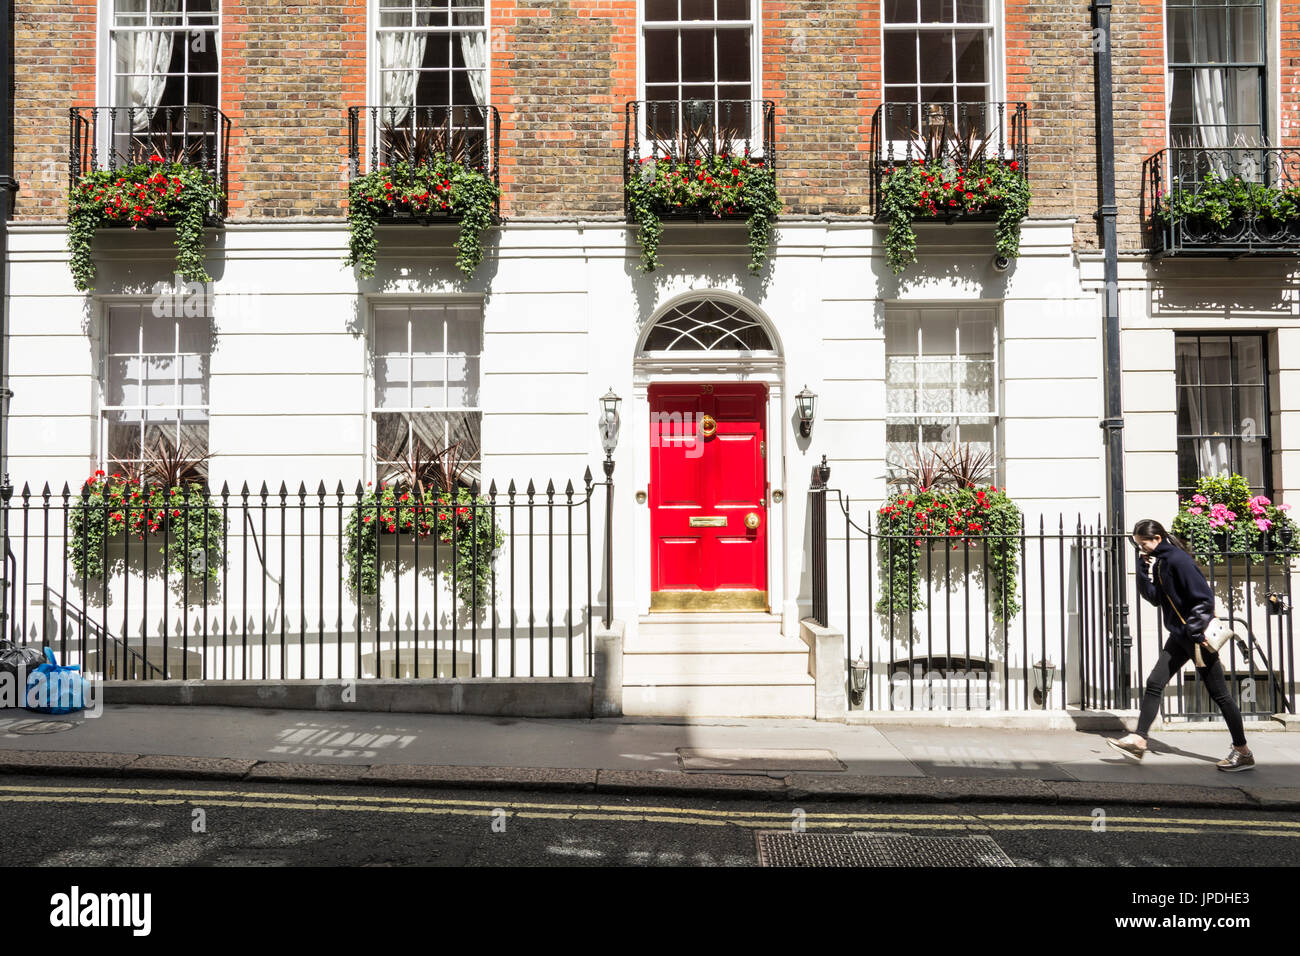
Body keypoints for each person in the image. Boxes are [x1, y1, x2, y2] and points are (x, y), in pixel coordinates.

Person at [1105, 519, 1254, 771]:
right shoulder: (1162, 562)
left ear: (1157, 539)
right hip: (1180, 635)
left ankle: (1243, 751)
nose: (1142, 548)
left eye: (1144, 544)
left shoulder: (1178, 561)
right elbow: (1155, 598)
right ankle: (1140, 740)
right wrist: (1142, 571)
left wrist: (1195, 632)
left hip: (1196, 637)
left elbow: (1203, 599)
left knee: (1221, 695)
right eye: (1139, 545)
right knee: (1154, 683)